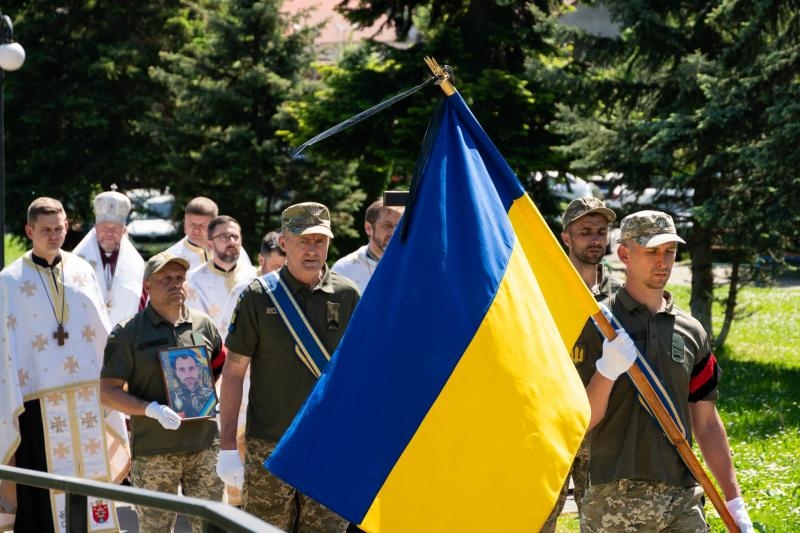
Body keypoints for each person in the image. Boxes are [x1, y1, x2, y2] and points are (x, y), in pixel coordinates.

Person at [575, 210, 754, 532]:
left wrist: (734, 501)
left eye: (669, 251)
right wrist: (606, 371)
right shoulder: (597, 325)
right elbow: (580, 419)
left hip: (682, 494)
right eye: (651, 251)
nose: (663, 261)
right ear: (624, 254)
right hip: (613, 495)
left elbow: (707, 421)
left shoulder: (691, 330)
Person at [216, 202, 360, 531]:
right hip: (270, 445)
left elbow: (359, 374)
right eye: (302, 241)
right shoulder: (257, 297)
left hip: (327, 443)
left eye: (319, 241)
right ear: (283, 243)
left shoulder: (347, 295)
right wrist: (226, 446)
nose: (312, 250)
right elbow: (234, 373)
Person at [0, 197, 129, 533]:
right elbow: (7, 347)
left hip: (87, 392)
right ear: (29, 231)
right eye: (46, 230)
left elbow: (101, 327)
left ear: (67, 226)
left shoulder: (82, 270)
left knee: (91, 480)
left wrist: (113, 379)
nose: (54, 235)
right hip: (37, 399)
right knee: (42, 490)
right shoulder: (9, 281)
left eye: (59, 228)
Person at [100, 252, 226, 533]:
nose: (175, 284)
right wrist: (150, 409)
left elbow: (219, 365)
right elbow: (108, 392)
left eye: (180, 278)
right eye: (165, 279)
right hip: (155, 452)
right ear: (147, 286)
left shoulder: (203, 325)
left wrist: (205, 397)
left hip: (204, 447)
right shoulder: (127, 333)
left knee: (212, 529)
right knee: (156, 530)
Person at [542, 197, 621, 532]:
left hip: (603, 427)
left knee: (602, 521)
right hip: (552, 424)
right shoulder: (545, 289)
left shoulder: (620, 293)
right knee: (537, 518)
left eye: (601, 232)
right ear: (566, 237)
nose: (595, 240)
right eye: (585, 231)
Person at [73, 189, 145, 327]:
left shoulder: (136, 265)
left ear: (124, 231)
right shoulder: (77, 261)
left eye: (116, 229)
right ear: (95, 228)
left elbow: (141, 306)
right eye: (105, 228)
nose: (110, 234)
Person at [186, 215, 257, 335]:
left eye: (235, 236)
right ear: (210, 244)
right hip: (213, 350)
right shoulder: (193, 280)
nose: (232, 242)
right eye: (224, 237)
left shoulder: (254, 276)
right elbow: (192, 327)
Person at [332, 198, 403, 292]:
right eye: (387, 226)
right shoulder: (344, 269)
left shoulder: (411, 265)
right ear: (368, 228)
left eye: (398, 226)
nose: (394, 233)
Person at [162, 196, 251, 271]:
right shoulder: (171, 257)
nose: (196, 230)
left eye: (202, 226)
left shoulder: (231, 249)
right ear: (185, 220)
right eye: (191, 224)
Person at [170, 352, 216, 419]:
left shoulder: (211, 396)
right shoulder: (172, 398)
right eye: (182, 370)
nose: (188, 375)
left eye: (191, 368)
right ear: (177, 373)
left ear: (197, 369)